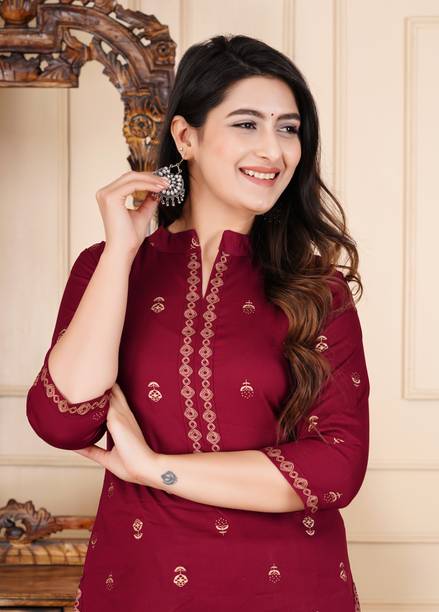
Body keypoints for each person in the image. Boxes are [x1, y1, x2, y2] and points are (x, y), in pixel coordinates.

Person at [26, 34, 369, 611]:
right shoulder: (109, 267)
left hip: (289, 589)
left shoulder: (317, 289)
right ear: (186, 136)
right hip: (141, 584)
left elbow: (337, 466)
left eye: (288, 128)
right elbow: (62, 420)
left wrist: (155, 470)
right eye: (247, 124)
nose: (273, 150)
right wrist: (122, 251)